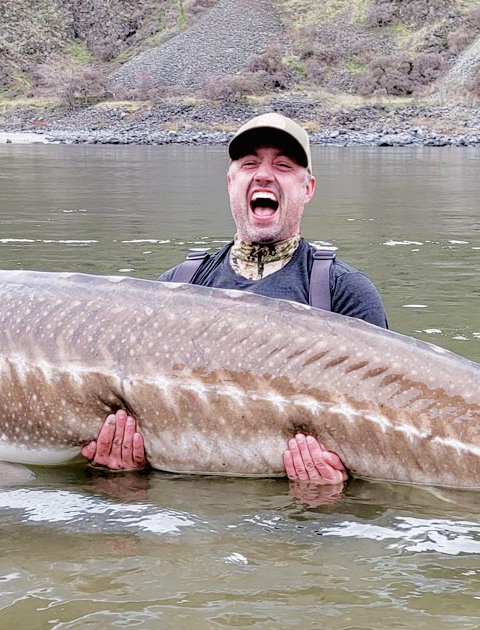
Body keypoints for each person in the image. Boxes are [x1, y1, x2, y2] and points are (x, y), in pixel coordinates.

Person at [82, 113, 389, 487]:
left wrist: (334, 492)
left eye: (283, 165)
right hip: (190, 522)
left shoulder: (343, 292)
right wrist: (120, 474)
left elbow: (384, 434)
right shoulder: (176, 287)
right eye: (249, 164)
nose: (263, 175)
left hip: (292, 529)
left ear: (307, 188)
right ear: (231, 183)